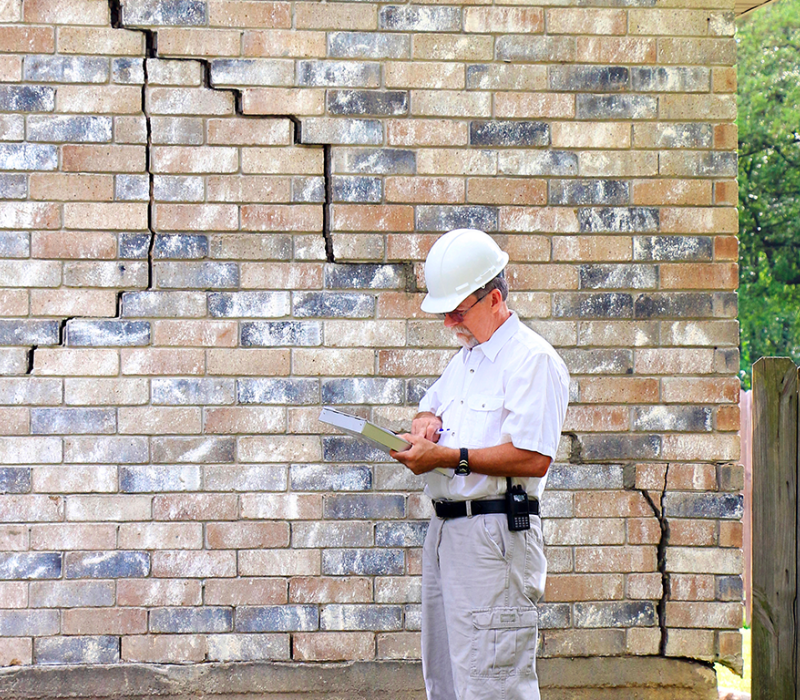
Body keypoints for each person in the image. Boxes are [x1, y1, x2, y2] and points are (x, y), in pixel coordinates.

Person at [391, 228, 570, 700]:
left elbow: (534, 456)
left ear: (494, 298)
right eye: (444, 313)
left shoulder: (532, 360)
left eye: (458, 310)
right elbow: (432, 406)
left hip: (495, 535)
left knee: (493, 684)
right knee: (448, 683)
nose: (450, 322)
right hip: (448, 532)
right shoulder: (467, 359)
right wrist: (426, 420)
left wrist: (449, 458)